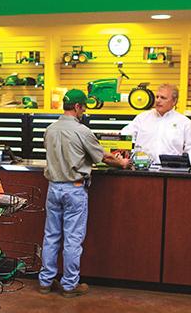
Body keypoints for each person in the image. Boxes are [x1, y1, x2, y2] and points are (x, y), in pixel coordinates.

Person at [38, 89, 130, 298]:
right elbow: (102, 157)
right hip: (74, 189)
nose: (84, 111)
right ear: (78, 107)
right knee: (72, 238)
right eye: (84, 107)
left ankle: (45, 282)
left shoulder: (50, 129)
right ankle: (70, 285)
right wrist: (122, 162)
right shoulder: (82, 131)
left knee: (51, 236)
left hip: (53, 188)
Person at [121, 84, 191, 164]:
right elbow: (125, 135)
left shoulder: (185, 122)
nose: (158, 100)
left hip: (171, 170)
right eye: (157, 97)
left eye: (163, 98)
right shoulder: (142, 118)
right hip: (142, 168)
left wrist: (185, 165)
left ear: (174, 101)